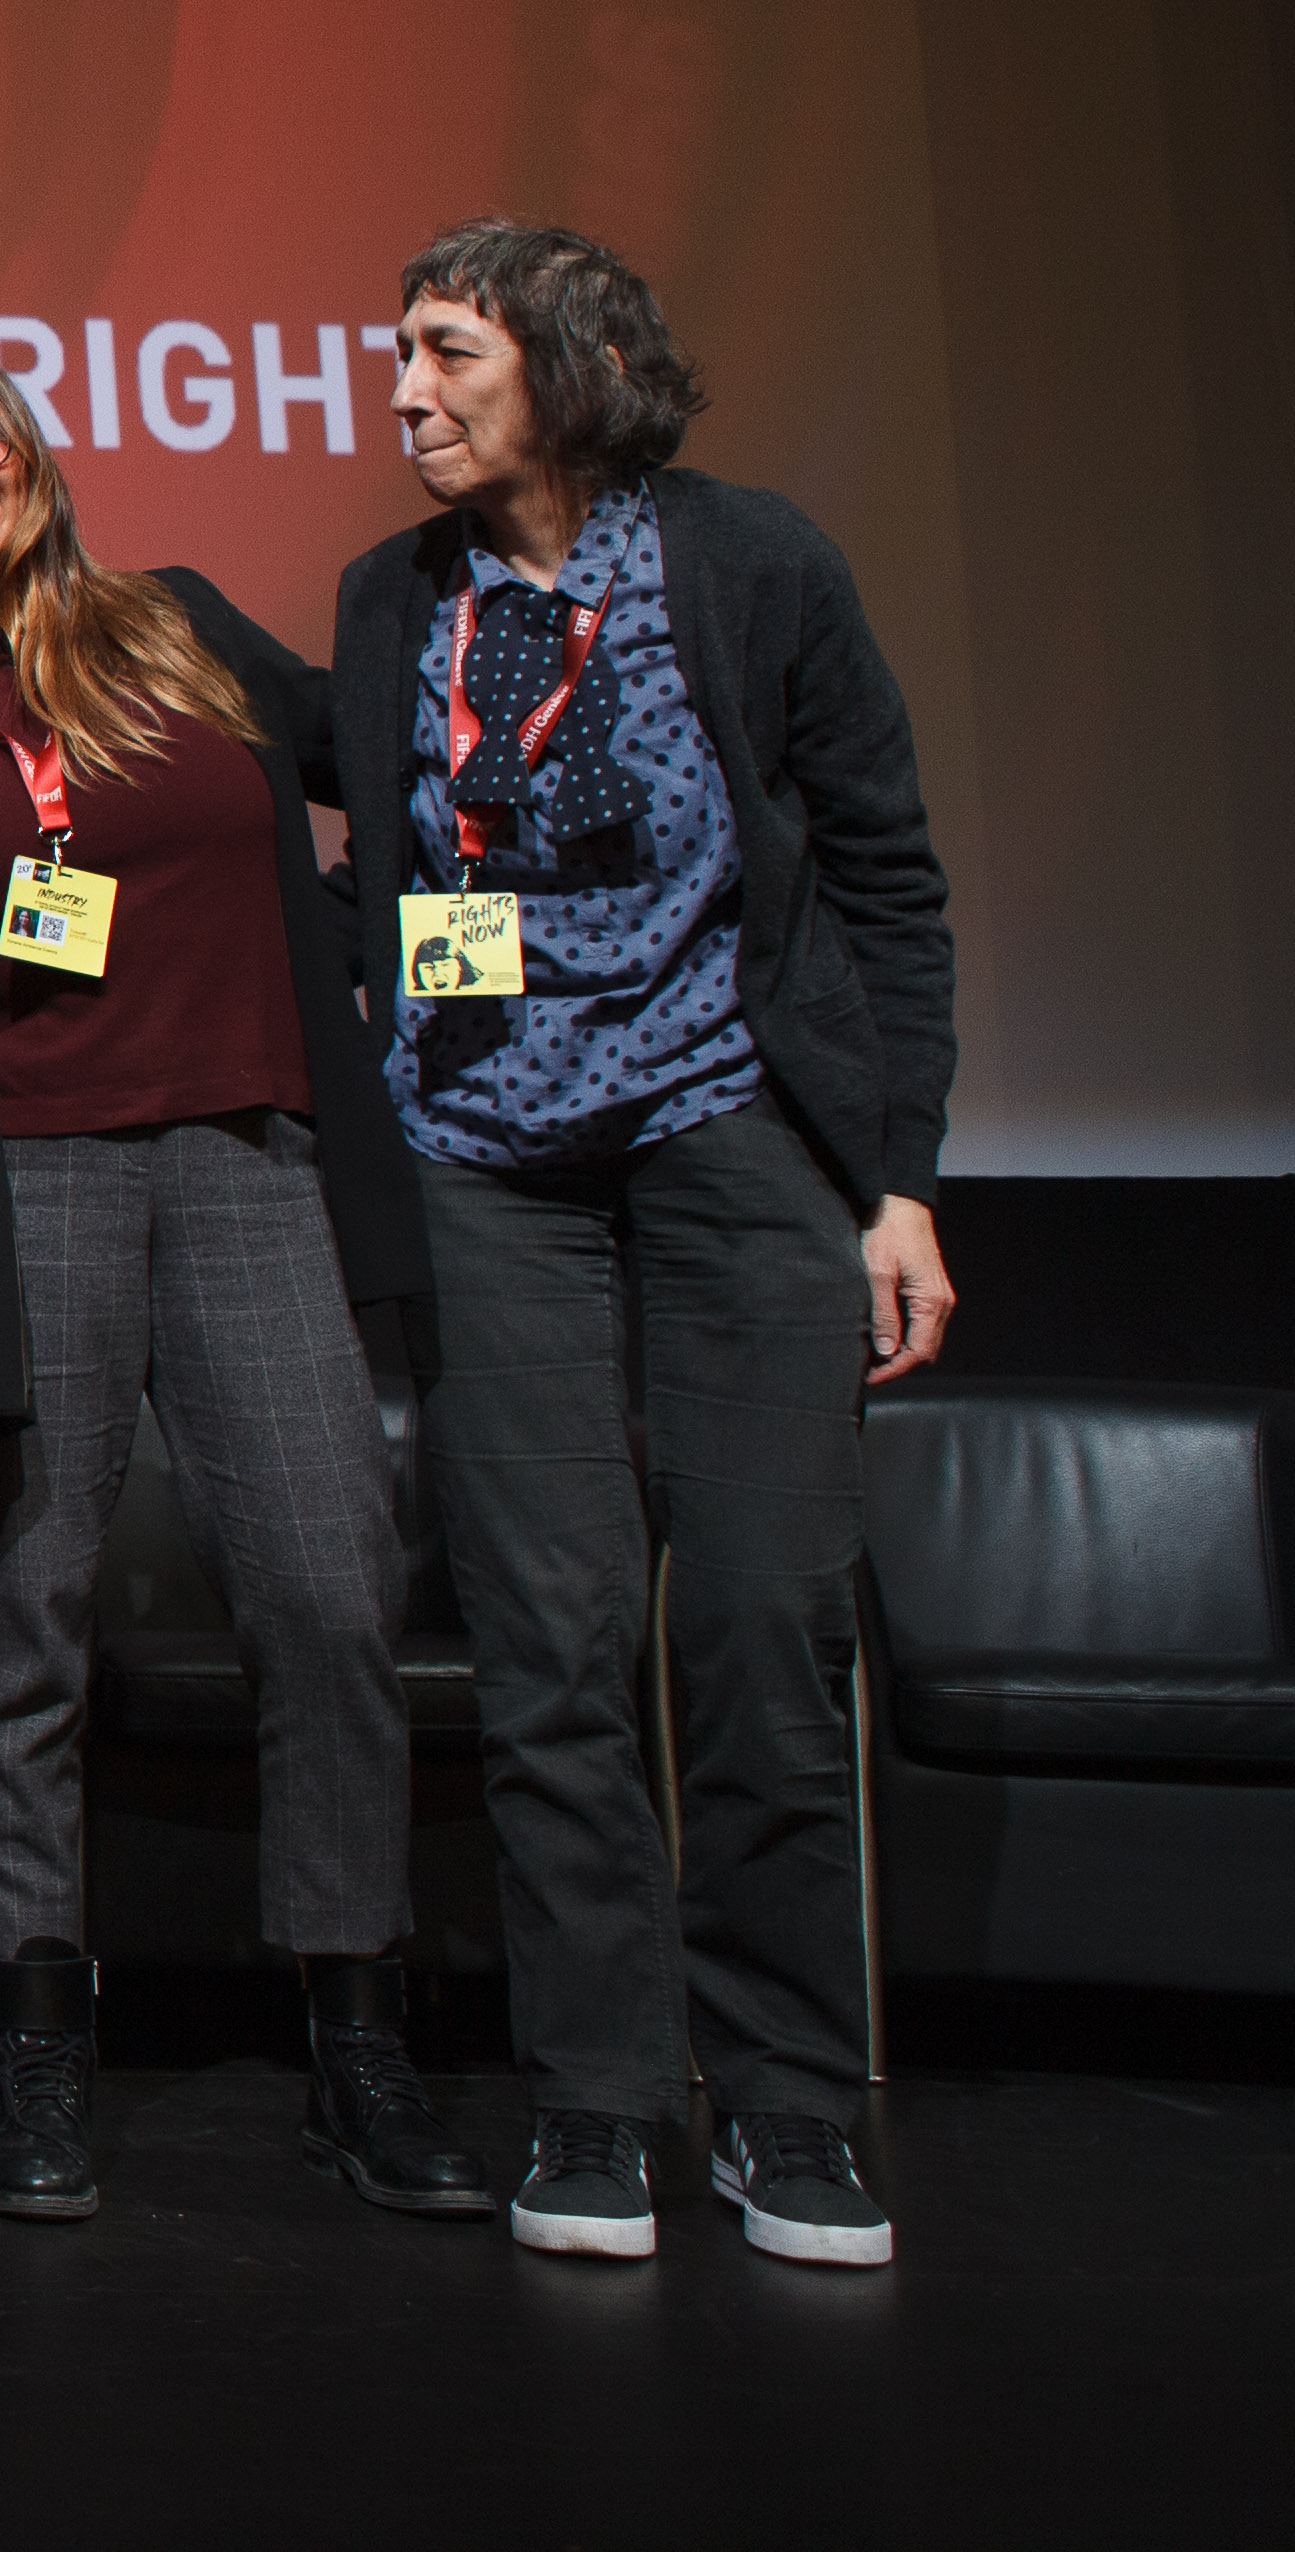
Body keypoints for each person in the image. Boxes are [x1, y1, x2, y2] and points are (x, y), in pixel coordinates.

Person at [0, 338, 484, 2228]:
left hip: (254, 1161)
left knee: (331, 1597)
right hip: (18, 1192)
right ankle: (38, 2036)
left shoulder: (175, 628)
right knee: (21, 1625)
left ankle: (358, 2033)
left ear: (27, 452)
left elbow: (398, 750)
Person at [347, 221, 955, 2269]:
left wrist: (897, 1175)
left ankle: (789, 2100)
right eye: (398, 354)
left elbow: (884, 874)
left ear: (577, 357)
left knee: (766, 1627)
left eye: (447, 352)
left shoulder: (751, 560)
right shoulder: (395, 594)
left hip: (734, 1135)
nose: (405, 393)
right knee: (549, 1648)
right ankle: (598, 2094)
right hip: (487, 1159)